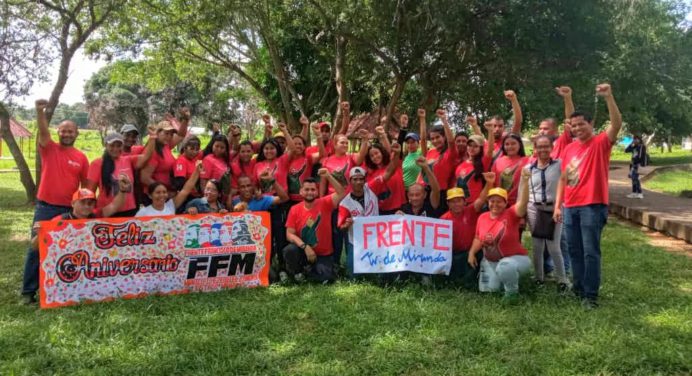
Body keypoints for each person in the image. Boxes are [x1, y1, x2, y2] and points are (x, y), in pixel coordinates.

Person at [554, 83, 622, 309]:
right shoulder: (569, 148)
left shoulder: (601, 142)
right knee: (574, 250)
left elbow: (616, 124)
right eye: (573, 125)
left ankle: (590, 295)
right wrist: (558, 205)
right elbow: (564, 178)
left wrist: (609, 97)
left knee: (590, 251)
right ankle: (578, 287)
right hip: (570, 206)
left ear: (591, 124)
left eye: (581, 124)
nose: (576, 128)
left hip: (592, 205)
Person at [21, 99, 90, 305]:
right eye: (63, 130)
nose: (67, 134)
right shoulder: (49, 148)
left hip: (69, 211)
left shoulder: (81, 157)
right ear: (58, 132)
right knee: (36, 247)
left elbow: (85, 187)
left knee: (67, 250)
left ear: (77, 134)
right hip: (45, 208)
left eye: (71, 131)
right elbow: (43, 133)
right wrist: (39, 111)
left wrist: (86, 208)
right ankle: (28, 292)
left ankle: (62, 288)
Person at [468, 168, 531, 304]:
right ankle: (505, 280)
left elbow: (523, 202)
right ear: (488, 202)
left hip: (515, 259)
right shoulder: (483, 217)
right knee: (489, 290)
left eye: (499, 201)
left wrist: (525, 182)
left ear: (505, 203)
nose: (495, 204)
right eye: (492, 201)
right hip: (491, 261)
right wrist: (471, 253)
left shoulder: (511, 214)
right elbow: (478, 238)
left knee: (505, 267)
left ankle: (512, 293)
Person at [338, 143, 402, 277]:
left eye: (361, 179)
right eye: (355, 179)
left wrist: (396, 155)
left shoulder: (371, 187)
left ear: (365, 180)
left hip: (376, 238)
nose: (358, 182)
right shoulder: (345, 203)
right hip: (355, 240)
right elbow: (341, 227)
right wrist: (346, 224)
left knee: (383, 275)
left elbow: (389, 171)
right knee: (353, 275)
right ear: (350, 181)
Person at [30, 175, 133, 250]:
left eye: (90, 203)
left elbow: (115, 206)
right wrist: (40, 234)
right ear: (73, 203)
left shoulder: (96, 215)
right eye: (83, 202)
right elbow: (35, 247)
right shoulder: (60, 221)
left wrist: (123, 191)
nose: (87, 206)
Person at [284, 169, 346, 283]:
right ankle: (298, 272)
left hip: (323, 253)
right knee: (289, 250)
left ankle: (309, 272)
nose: (310, 192)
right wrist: (305, 247)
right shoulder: (294, 209)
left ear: (317, 192)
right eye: (306, 189)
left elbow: (342, 192)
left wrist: (328, 176)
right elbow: (289, 234)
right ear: (301, 192)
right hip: (303, 251)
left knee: (325, 278)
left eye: (313, 189)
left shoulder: (325, 203)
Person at [320, 129, 369, 270]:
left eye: (347, 143)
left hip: (350, 202)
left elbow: (361, 157)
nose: (345, 145)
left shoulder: (351, 158)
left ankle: (352, 264)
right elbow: (323, 184)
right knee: (336, 235)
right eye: (342, 142)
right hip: (333, 202)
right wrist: (322, 203)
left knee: (351, 235)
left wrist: (365, 140)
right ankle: (335, 264)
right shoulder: (327, 161)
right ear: (334, 145)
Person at [525, 135, 569, 291]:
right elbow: (523, 192)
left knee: (553, 246)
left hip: (554, 208)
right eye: (539, 147)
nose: (543, 149)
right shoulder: (527, 169)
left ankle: (562, 279)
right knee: (537, 246)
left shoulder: (559, 165)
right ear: (535, 149)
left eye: (546, 146)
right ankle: (538, 277)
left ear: (552, 147)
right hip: (534, 209)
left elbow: (565, 184)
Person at [439, 172, 494, 289]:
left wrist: (489, 183)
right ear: (448, 204)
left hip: (472, 251)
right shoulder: (443, 219)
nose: (456, 204)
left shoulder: (471, 210)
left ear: (464, 202)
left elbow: (482, 198)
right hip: (454, 254)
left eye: (459, 200)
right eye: (453, 201)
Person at [86, 132, 155, 217]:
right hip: (107, 210)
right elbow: (90, 191)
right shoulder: (97, 164)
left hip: (129, 210)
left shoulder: (128, 160)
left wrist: (153, 138)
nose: (115, 149)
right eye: (112, 145)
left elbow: (146, 157)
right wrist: (89, 211)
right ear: (106, 145)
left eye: (118, 146)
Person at [140, 109, 190, 196]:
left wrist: (185, 119)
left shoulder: (165, 145)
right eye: (166, 133)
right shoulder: (153, 151)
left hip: (163, 193)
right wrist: (163, 191)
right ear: (158, 133)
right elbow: (144, 178)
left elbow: (181, 135)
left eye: (171, 134)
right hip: (154, 196)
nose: (169, 137)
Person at [418, 108, 457, 208]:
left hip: (439, 193)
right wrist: (422, 119)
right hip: (422, 192)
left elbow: (451, 142)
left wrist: (444, 120)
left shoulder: (450, 153)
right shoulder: (430, 152)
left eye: (438, 137)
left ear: (444, 137)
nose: (435, 141)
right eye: (432, 138)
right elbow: (422, 140)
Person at [136, 160, 202, 217]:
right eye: (158, 192)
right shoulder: (143, 212)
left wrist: (197, 171)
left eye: (164, 192)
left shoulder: (171, 206)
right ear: (150, 195)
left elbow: (186, 190)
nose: (162, 195)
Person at [364, 125, 406, 214]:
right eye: (372, 156)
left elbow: (392, 151)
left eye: (376, 153)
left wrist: (383, 135)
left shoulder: (394, 163)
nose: (375, 157)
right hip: (382, 211)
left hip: (400, 208)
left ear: (382, 152)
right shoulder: (371, 174)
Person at [470, 90, 523, 161]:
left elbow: (518, 122)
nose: (497, 129)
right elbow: (479, 137)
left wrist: (514, 100)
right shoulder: (486, 144)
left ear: (504, 127)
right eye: (494, 126)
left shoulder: (508, 141)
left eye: (500, 126)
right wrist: (474, 125)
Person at [286, 116, 325, 204]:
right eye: (295, 144)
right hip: (289, 200)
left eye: (300, 144)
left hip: (306, 199)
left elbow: (322, 153)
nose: (298, 146)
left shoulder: (308, 159)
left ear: (304, 147)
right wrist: (305, 126)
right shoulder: (286, 160)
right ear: (290, 146)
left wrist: (318, 135)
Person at [455, 118, 494, 203]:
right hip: (461, 204)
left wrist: (490, 131)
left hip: (477, 205)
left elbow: (490, 149)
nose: (472, 148)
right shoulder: (460, 165)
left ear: (481, 149)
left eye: (475, 146)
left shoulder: (483, 162)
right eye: (470, 145)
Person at [492, 133, 529, 206]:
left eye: (513, 143)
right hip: (499, 203)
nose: (510, 146)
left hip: (519, 204)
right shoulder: (498, 161)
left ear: (520, 145)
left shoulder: (528, 160)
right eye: (507, 144)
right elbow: (492, 183)